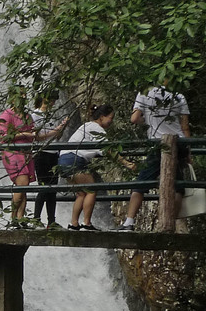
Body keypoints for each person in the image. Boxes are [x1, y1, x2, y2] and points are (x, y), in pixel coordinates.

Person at [118, 83, 191, 231]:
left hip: (158, 143)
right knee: (177, 187)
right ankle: (172, 221)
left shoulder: (144, 92)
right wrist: (190, 152)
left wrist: (147, 121)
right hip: (179, 143)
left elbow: (134, 118)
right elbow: (185, 127)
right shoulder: (178, 95)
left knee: (140, 183)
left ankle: (129, 222)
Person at [0, 90, 66, 225]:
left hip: (26, 153)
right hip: (13, 152)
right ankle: (13, 218)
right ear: (13, 99)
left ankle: (20, 218)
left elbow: (35, 134)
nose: (23, 98)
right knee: (22, 184)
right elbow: (4, 136)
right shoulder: (6, 115)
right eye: (20, 96)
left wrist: (58, 129)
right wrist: (25, 133)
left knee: (25, 186)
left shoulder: (27, 116)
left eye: (24, 96)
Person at [57, 105, 125, 231]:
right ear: (102, 117)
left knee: (81, 194)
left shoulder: (86, 125)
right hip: (75, 160)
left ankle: (74, 224)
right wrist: (126, 163)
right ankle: (86, 224)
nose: (112, 121)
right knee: (91, 190)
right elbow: (107, 149)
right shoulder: (96, 128)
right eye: (111, 118)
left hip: (63, 160)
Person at [29, 91, 68, 229]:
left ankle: (51, 221)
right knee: (44, 187)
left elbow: (57, 136)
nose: (53, 103)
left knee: (53, 189)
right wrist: (56, 130)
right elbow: (37, 136)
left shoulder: (52, 115)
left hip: (53, 153)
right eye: (51, 100)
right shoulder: (34, 115)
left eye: (54, 100)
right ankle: (36, 219)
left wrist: (62, 127)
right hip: (41, 153)